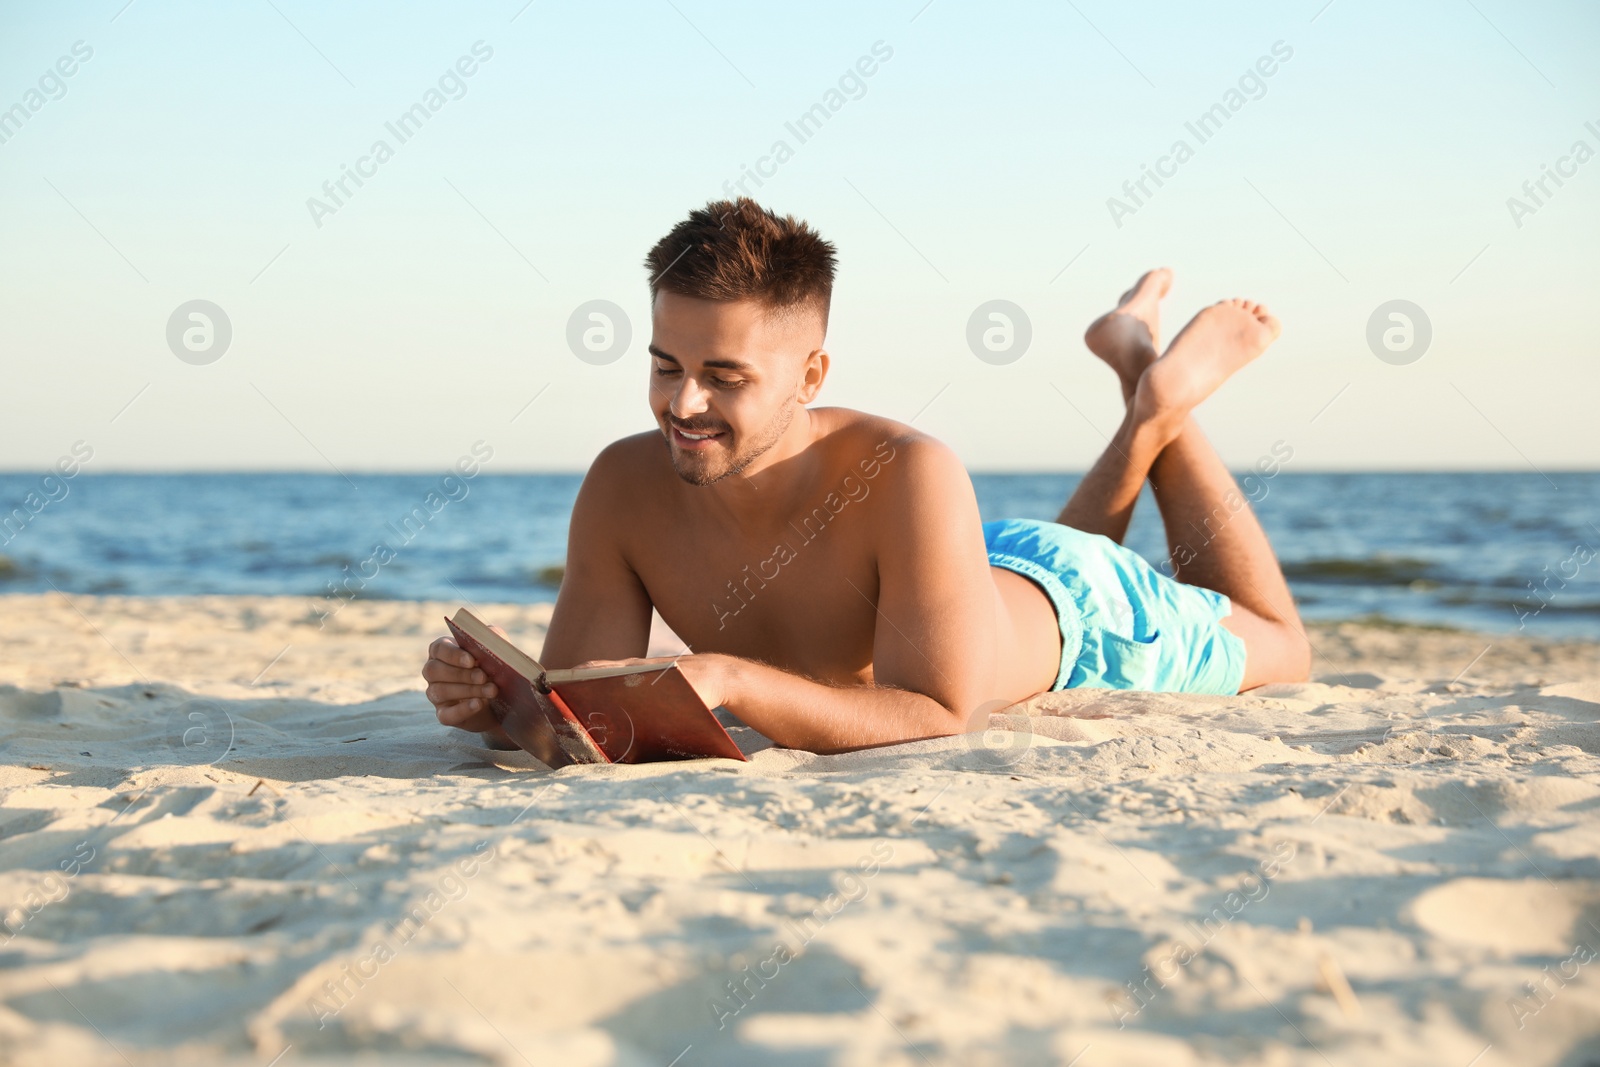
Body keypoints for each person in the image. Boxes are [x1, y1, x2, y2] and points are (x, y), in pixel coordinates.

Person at [422, 198, 1310, 754]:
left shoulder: (910, 471)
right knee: (1041, 572)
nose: (682, 403)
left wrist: (731, 680)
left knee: (1286, 647)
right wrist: (496, 707)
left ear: (811, 377)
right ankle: (1135, 365)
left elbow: (946, 715)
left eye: (726, 377)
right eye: (665, 366)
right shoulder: (623, 483)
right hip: (968, 580)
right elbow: (581, 713)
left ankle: (1155, 396)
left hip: (1086, 617)